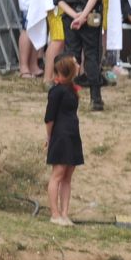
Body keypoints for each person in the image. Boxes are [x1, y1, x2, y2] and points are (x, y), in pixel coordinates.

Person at [51, 0, 108, 111]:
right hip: (90, 18)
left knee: (71, 56)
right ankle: (96, 98)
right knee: (92, 55)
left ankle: (66, 98)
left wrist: (74, 15)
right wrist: (83, 15)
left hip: (70, 18)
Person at [45, 54, 84, 226]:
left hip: (73, 134)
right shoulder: (56, 91)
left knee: (68, 176)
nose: (77, 64)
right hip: (61, 135)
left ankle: (64, 213)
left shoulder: (71, 89)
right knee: (58, 174)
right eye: (74, 63)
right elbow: (49, 118)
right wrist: (49, 137)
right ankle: (54, 213)